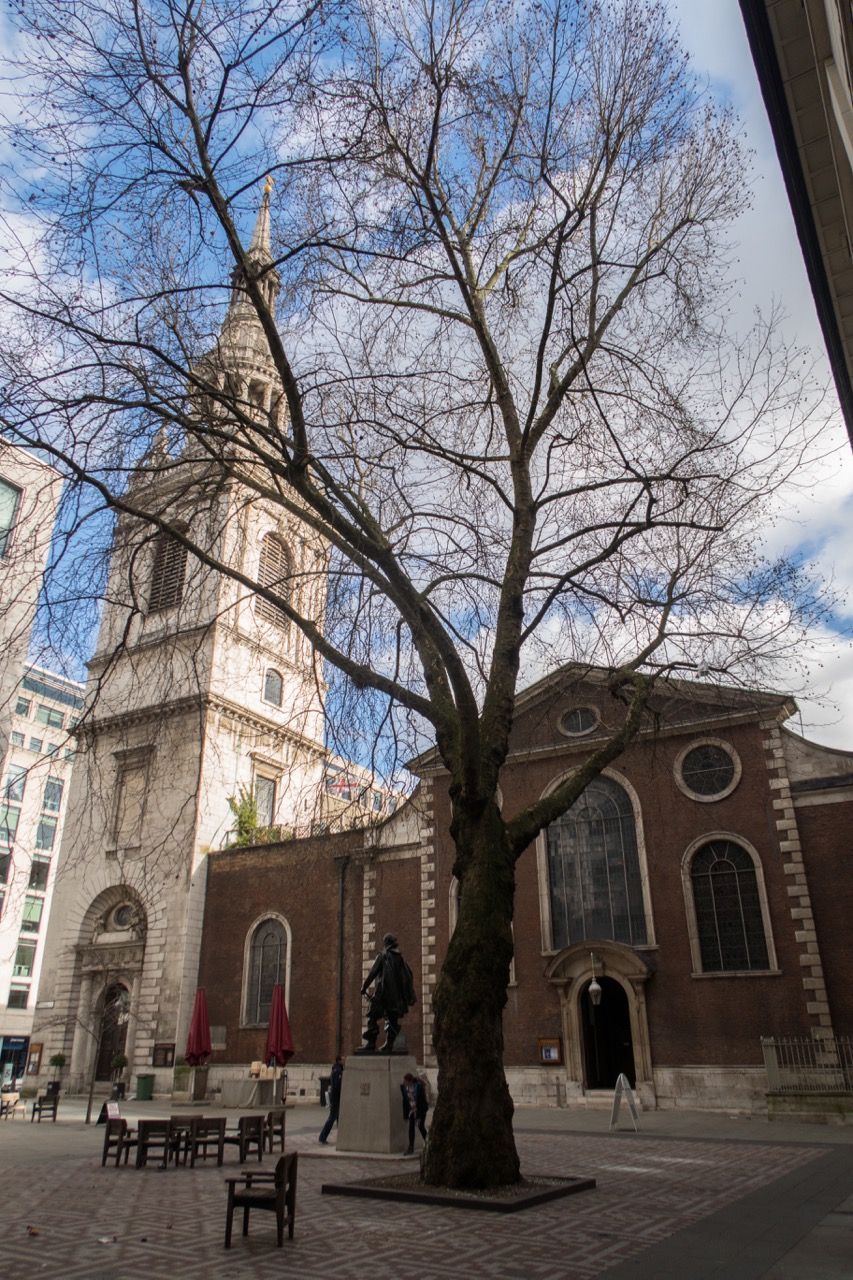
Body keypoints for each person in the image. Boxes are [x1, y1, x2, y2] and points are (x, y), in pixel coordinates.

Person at [359, 932, 416, 1052]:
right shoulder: (400, 959)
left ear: (386, 943)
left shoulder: (383, 956)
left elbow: (372, 973)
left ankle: (370, 1043)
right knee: (392, 1020)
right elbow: (407, 977)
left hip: (382, 995)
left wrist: (364, 987)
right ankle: (389, 1045)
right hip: (396, 998)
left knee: (372, 1016)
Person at [400, 1071, 428, 1155]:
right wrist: (405, 1116)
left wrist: (420, 1114)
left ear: (410, 1081)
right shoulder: (404, 1089)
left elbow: (422, 1101)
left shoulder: (418, 1088)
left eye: (405, 1081)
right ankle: (411, 1147)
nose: (404, 1082)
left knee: (421, 1127)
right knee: (411, 1127)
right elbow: (405, 1102)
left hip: (420, 1110)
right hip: (412, 1110)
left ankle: (428, 1143)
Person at [318, 1055, 344, 1144]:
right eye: (343, 1059)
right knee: (332, 1117)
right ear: (339, 1060)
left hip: (335, 1097)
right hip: (336, 1097)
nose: (345, 1061)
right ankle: (322, 1137)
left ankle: (342, 1137)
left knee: (338, 1117)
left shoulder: (336, 1069)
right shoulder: (338, 1070)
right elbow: (338, 1084)